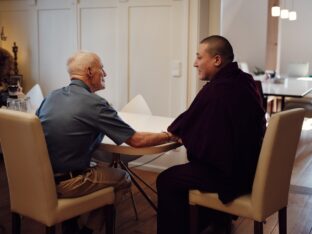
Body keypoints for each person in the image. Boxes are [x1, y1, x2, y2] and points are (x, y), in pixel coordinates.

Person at [36, 51, 175, 234]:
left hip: (40, 179)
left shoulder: (52, 96)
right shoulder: (95, 103)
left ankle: (71, 225)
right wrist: (171, 135)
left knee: (91, 164)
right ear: (89, 71)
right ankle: (87, 231)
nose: (105, 73)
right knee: (122, 178)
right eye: (102, 68)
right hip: (69, 183)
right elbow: (137, 140)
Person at [156, 35, 266, 234]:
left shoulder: (218, 90)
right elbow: (211, 126)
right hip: (251, 167)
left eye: (199, 57)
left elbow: (192, 125)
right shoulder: (246, 81)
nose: (194, 63)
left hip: (232, 175)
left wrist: (181, 132)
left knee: (167, 179)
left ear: (216, 60)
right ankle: (213, 222)